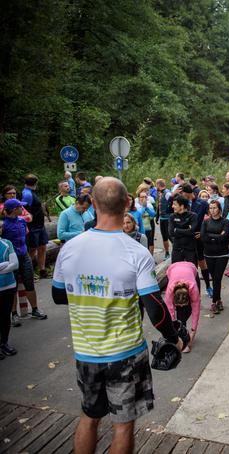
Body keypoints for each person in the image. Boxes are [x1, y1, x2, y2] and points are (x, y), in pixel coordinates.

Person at [51, 177, 181, 453]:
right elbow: (154, 306)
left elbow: (58, 295)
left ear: (93, 204)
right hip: (125, 353)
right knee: (122, 425)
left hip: (85, 351)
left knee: (89, 417)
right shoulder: (136, 251)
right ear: (126, 204)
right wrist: (174, 336)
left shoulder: (70, 248)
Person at [1, 198, 48, 326]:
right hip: (11, 259)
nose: (22, 208)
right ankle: (14, 315)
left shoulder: (22, 221)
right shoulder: (3, 225)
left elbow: (25, 236)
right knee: (13, 287)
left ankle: (35, 309)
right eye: (19, 207)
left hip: (24, 256)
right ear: (14, 209)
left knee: (29, 283)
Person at [181, 184, 212, 297]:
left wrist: (203, 232)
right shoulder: (182, 203)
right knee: (190, 264)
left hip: (198, 237)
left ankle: (208, 286)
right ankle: (193, 290)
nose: (182, 196)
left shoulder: (202, 203)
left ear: (188, 193)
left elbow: (211, 217)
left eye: (183, 194)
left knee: (202, 262)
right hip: (186, 238)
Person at [165, 261, 201, 353]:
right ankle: (182, 337)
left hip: (192, 269)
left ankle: (185, 337)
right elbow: (170, 311)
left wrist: (193, 332)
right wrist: (174, 333)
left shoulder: (193, 288)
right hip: (172, 269)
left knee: (186, 311)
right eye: (178, 305)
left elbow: (196, 311)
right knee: (181, 313)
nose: (180, 306)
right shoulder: (169, 290)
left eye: (183, 304)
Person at [201, 200, 229, 314]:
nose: (212, 210)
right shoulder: (206, 222)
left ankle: (214, 302)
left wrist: (211, 236)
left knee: (217, 278)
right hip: (209, 254)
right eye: (211, 208)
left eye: (215, 208)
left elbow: (225, 237)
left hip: (222, 254)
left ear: (219, 209)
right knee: (215, 278)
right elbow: (203, 237)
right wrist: (217, 236)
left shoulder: (225, 222)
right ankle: (218, 300)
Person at [21, 174, 49, 279]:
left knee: (42, 247)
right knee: (32, 249)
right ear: (35, 183)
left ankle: (42, 270)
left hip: (40, 225)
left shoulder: (31, 192)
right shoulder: (27, 194)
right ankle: (28, 273)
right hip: (33, 226)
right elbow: (24, 210)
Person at [0, 222, 19, 358]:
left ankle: (4, 343)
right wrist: (5, 264)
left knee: (5, 315)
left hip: (8, 285)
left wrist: (6, 265)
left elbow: (15, 264)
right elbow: (9, 263)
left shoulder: (7, 243)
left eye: (0, 227)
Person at [169, 196, 198, 264]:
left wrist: (177, 230)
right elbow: (171, 233)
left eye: (175, 204)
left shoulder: (193, 216)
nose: (172, 206)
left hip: (190, 250)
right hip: (177, 249)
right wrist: (187, 230)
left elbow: (192, 231)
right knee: (176, 272)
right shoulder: (172, 216)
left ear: (182, 206)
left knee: (192, 272)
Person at [156, 179, 173, 259]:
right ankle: (167, 252)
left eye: (156, 185)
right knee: (164, 236)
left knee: (170, 235)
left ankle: (176, 250)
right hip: (162, 218)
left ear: (158, 185)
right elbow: (159, 206)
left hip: (168, 218)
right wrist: (157, 217)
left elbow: (172, 202)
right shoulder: (160, 193)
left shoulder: (167, 193)